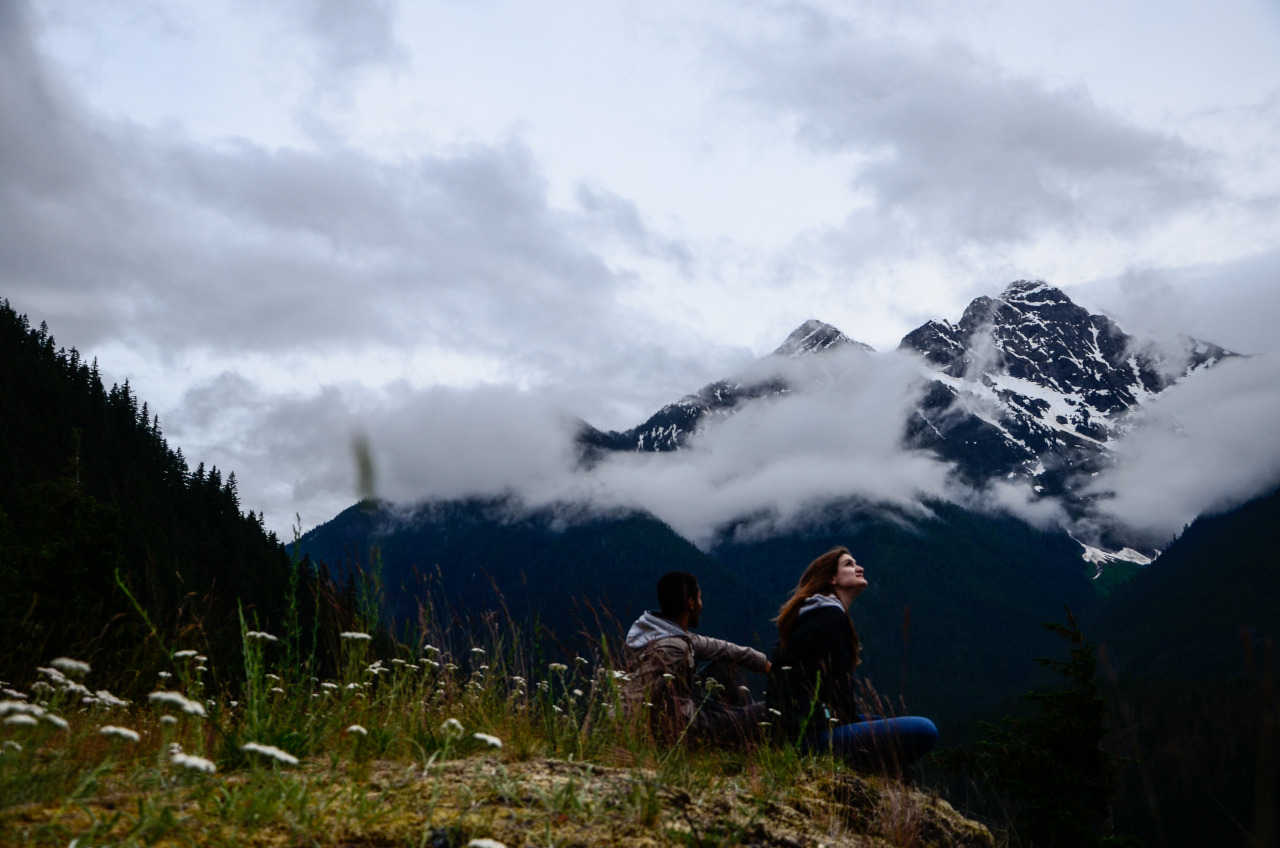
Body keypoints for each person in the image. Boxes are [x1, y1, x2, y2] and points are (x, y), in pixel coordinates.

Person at [766, 546, 937, 775]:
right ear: (832, 578)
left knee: (880, 722)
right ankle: (883, 779)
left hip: (801, 731)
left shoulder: (814, 615)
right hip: (811, 738)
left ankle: (888, 778)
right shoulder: (828, 617)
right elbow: (839, 689)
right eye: (849, 564)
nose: (859, 568)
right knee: (925, 730)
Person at [622, 570, 770, 745]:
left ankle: (743, 731)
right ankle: (750, 735)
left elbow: (718, 647)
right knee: (767, 711)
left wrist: (762, 663)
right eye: (699, 598)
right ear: (691, 603)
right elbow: (633, 697)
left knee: (725, 667)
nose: (701, 604)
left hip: (684, 705)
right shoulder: (671, 649)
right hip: (687, 728)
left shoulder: (663, 631)